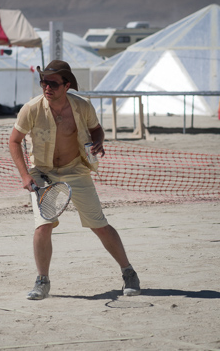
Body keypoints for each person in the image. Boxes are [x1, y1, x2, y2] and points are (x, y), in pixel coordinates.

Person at [9, 60, 140, 300]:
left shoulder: (82, 106)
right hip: (43, 173)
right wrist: (25, 175)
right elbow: (14, 141)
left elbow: (96, 129)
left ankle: (128, 272)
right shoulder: (31, 108)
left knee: (99, 225)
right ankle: (42, 281)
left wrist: (99, 141)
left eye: (53, 83)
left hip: (76, 169)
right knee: (43, 225)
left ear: (67, 85)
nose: (47, 87)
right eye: (43, 82)